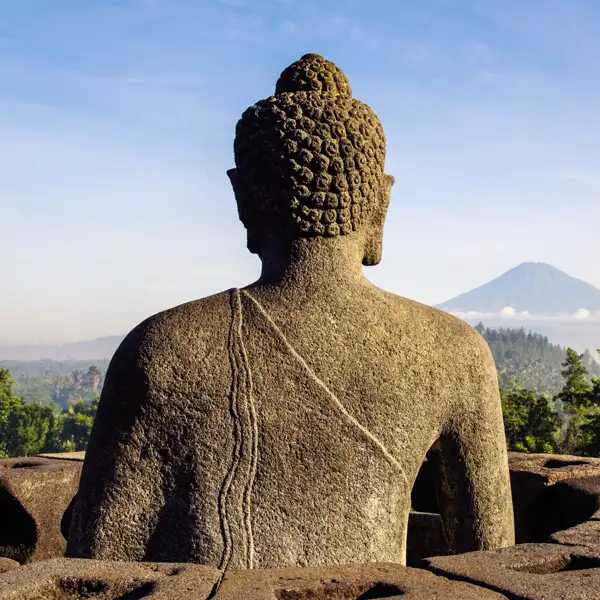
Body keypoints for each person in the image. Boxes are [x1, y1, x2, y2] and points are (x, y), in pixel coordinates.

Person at [67, 54, 514, 569]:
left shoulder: (160, 348)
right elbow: (492, 567)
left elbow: (97, 568)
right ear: (381, 203)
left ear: (244, 198)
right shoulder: (456, 354)